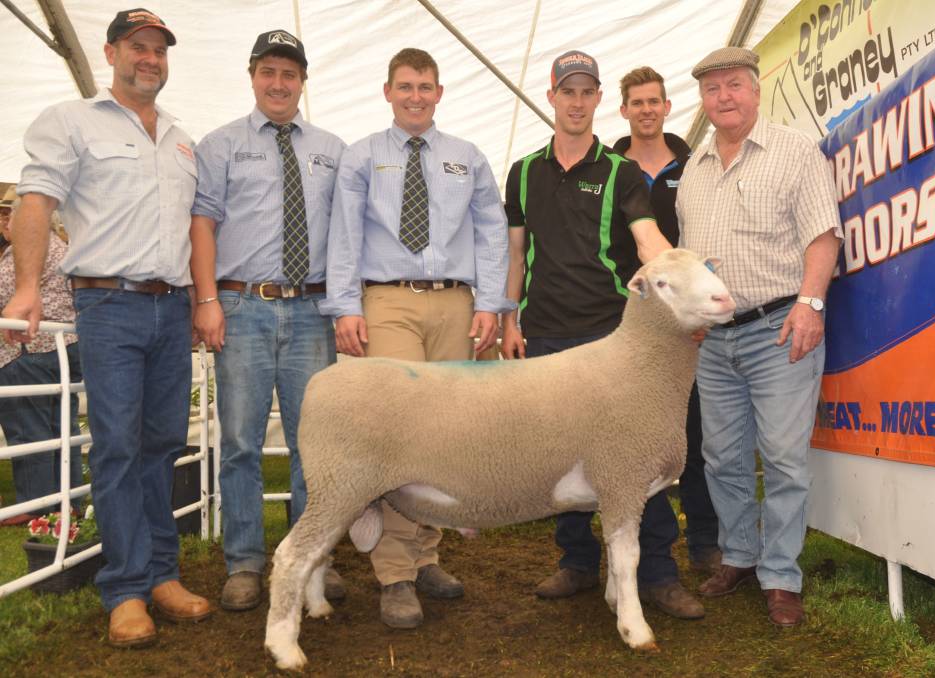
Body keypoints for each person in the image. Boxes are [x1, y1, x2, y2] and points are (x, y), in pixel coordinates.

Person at [3, 8, 211, 648]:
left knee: (163, 441)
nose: (150, 58)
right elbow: (35, 200)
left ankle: (161, 575)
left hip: (171, 306)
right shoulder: (71, 121)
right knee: (118, 444)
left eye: (160, 50)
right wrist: (30, 287)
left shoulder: (181, 138)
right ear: (112, 51)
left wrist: (203, 298)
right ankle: (124, 588)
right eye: (139, 47)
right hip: (109, 305)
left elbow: (194, 226)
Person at [501, 51, 703, 620]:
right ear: (553, 97)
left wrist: (684, 296)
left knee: (636, 458)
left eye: (586, 91)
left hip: (611, 334)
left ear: (596, 102)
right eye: (568, 91)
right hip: (543, 332)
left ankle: (659, 573)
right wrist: (510, 317)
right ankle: (577, 561)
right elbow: (516, 254)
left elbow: (648, 242)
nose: (576, 101)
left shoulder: (620, 172)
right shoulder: (523, 172)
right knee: (556, 448)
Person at [325, 47, 512, 629]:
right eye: (405, 86)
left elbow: (491, 233)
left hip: (455, 302)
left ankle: (426, 556)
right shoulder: (361, 157)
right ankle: (395, 576)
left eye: (425, 86)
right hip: (386, 301)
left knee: (444, 436)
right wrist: (345, 308)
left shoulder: (467, 157)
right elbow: (344, 237)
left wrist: (490, 304)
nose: (415, 96)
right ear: (387, 91)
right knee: (398, 433)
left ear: (439, 92)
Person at [676, 47, 842, 627]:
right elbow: (689, 261)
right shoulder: (692, 171)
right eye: (713, 88)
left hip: (780, 330)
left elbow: (823, 236)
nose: (723, 97)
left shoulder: (794, 152)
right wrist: (692, 317)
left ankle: (781, 577)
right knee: (720, 457)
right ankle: (740, 556)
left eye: (734, 86)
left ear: (755, 89)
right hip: (715, 341)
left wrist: (811, 303)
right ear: (703, 100)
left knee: (784, 458)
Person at [190, 29, 345, 612]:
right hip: (242, 306)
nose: (279, 84)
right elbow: (201, 223)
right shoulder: (220, 145)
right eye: (269, 72)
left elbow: (348, 232)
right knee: (238, 442)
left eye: (290, 73)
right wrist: (206, 300)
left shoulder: (333, 148)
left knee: (317, 444)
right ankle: (246, 562)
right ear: (252, 76)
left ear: (303, 81)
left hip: (312, 307)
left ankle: (310, 558)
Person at [611, 66, 721, 574]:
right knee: (628, 435)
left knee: (694, 430)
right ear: (624, 109)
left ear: (667, 106)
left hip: (686, 325)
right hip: (628, 321)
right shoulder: (608, 168)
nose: (647, 110)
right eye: (637, 102)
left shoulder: (696, 163)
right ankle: (626, 548)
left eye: (655, 101)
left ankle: (703, 538)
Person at [0, 191, 83, 525]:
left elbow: (5, 295)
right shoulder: (63, 247)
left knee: (28, 429)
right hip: (64, 348)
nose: (4, 222)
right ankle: (70, 498)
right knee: (62, 426)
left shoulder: (25, 253)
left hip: (28, 350)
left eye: (9, 215)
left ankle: (35, 505)